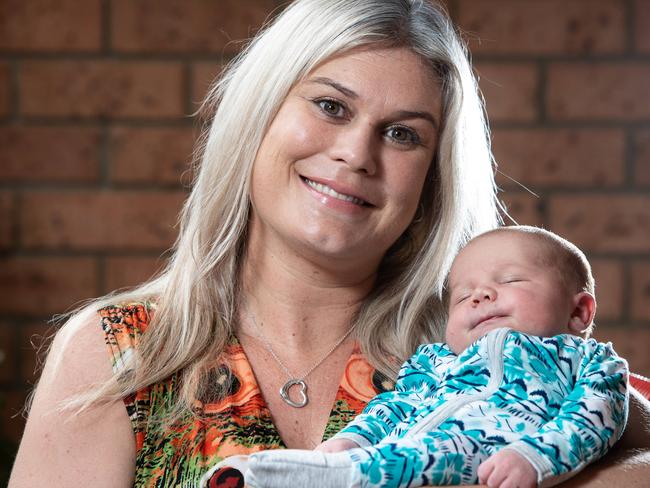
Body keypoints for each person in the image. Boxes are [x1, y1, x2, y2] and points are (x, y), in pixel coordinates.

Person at [7, 1, 649, 487]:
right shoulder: (120, 352)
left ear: (431, 180)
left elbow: (618, 419)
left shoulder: (469, 346)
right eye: (331, 107)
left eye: (403, 135)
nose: (355, 154)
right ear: (259, 117)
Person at [221, 226, 627, 488]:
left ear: (579, 312)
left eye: (509, 280)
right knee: (380, 459)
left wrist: (535, 458)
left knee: (402, 463)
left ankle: (286, 477)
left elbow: (595, 418)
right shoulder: (436, 361)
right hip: (405, 449)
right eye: (463, 294)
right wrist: (353, 438)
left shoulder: (588, 360)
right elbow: (396, 405)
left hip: (487, 454)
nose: (480, 295)